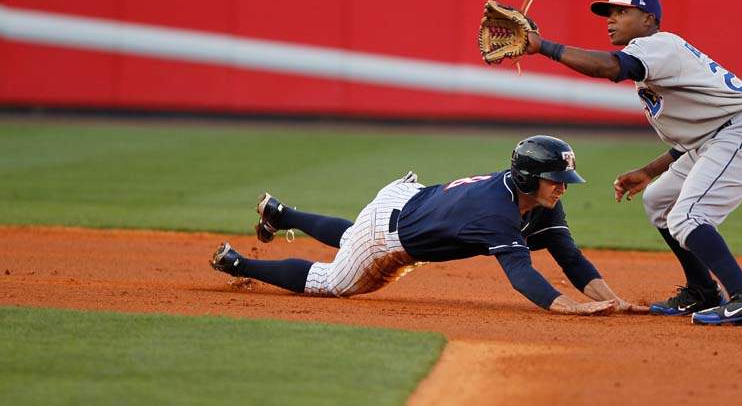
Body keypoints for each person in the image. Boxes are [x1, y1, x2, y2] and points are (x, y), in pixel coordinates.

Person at [519, 0, 742, 325]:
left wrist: (544, 47)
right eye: (609, 13)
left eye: (622, 12)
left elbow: (607, 68)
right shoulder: (653, 56)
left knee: (688, 216)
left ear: (649, 19)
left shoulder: (658, 45)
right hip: (724, 134)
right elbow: (697, 131)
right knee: (659, 199)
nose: (611, 20)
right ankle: (702, 291)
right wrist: (650, 170)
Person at [209, 135, 647, 316]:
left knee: (351, 236)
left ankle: (280, 215)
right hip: (391, 234)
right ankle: (238, 264)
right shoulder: (497, 212)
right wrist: (568, 307)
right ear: (533, 178)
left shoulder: (539, 201)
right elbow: (521, 276)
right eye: (557, 180)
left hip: (403, 199)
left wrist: (616, 301)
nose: (563, 188)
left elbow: (569, 256)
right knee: (332, 282)